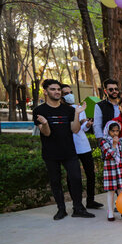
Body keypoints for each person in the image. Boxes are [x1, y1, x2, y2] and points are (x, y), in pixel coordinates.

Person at [33, 79, 95, 220]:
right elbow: (46, 133)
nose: (57, 92)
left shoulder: (69, 110)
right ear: (46, 91)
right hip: (51, 153)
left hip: (69, 151)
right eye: (53, 89)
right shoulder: (39, 111)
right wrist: (45, 123)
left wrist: (77, 113)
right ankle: (61, 209)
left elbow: (75, 130)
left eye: (58, 89)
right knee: (55, 181)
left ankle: (78, 208)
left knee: (76, 179)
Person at [60, 84, 103, 209]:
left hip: (83, 146)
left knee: (91, 174)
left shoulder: (79, 108)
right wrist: (79, 121)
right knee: (73, 176)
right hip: (70, 147)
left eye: (70, 92)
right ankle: (76, 203)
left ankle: (90, 201)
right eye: (66, 93)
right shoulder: (62, 111)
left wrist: (88, 125)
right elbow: (72, 128)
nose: (69, 95)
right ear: (62, 97)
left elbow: (81, 129)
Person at [100, 121, 122, 221]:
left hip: (121, 168)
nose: (115, 133)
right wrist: (114, 145)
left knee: (121, 191)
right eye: (112, 131)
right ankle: (110, 212)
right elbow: (109, 155)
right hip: (110, 169)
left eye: (117, 131)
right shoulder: (104, 141)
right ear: (108, 131)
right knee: (111, 191)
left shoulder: (121, 141)